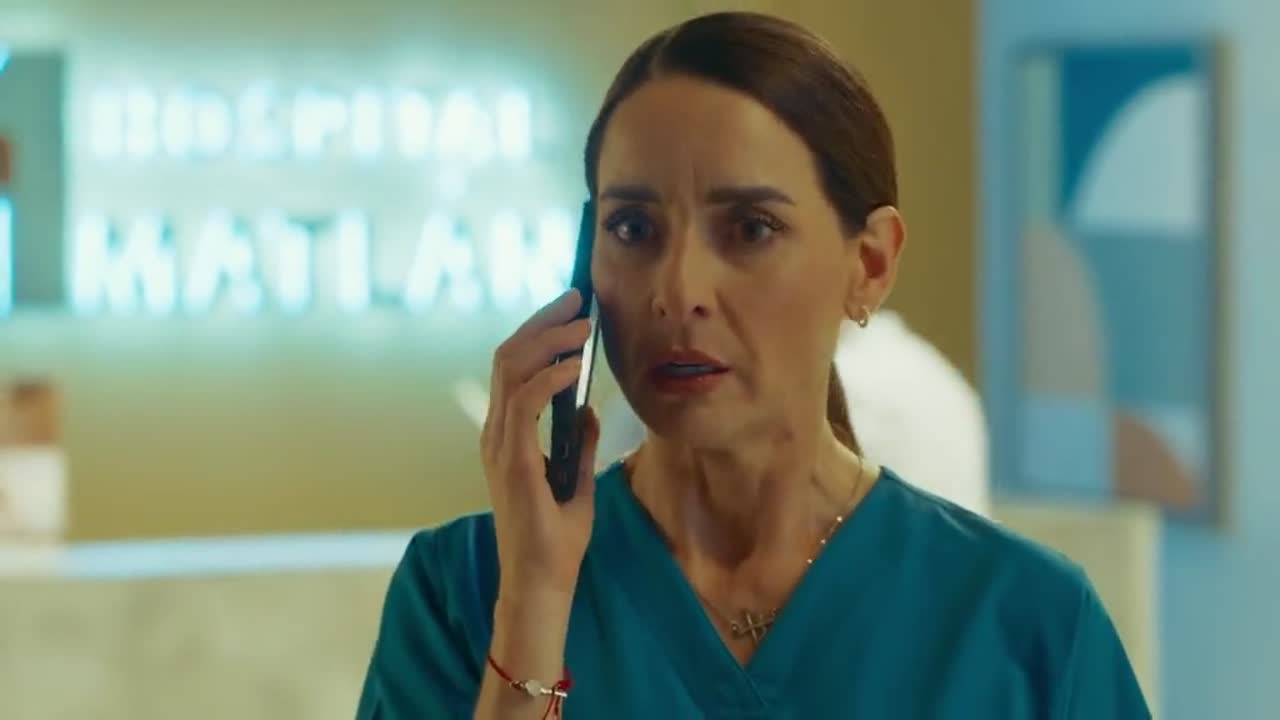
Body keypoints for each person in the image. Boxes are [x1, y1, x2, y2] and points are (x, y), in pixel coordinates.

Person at [357, 12, 1150, 719]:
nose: (678, 292)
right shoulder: (463, 592)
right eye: (633, 229)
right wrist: (534, 604)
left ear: (870, 264)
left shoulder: (1027, 624)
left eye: (750, 228)